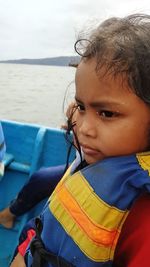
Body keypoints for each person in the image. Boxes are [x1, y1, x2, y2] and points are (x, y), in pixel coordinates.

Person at [10, 13, 150, 267]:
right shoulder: (100, 153)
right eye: (82, 107)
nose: (83, 128)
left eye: (107, 113)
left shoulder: (143, 223)